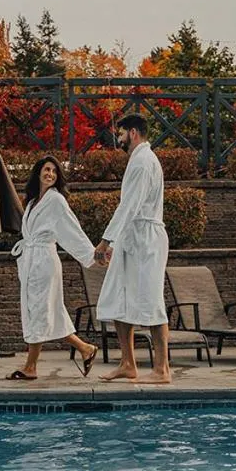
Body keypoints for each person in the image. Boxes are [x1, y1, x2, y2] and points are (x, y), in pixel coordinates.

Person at [5, 155, 101, 381]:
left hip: (44, 263)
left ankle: (30, 367)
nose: (50, 174)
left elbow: (71, 228)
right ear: (38, 172)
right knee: (48, 313)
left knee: (39, 311)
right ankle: (86, 349)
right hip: (32, 261)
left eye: (54, 172)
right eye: (46, 170)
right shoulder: (31, 202)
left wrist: (91, 254)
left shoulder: (56, 200)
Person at [93, 114, 171, 384]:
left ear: (134, 133)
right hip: (132, 237)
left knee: (151, 301)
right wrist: (118, 241)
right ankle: (128, 363)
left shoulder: (144, 162)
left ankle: (162, 369)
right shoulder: (138, 160)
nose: (119, 138)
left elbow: (130, 206)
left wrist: (106, 240)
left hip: (146, 240)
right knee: (117, 299)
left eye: (121, 133)